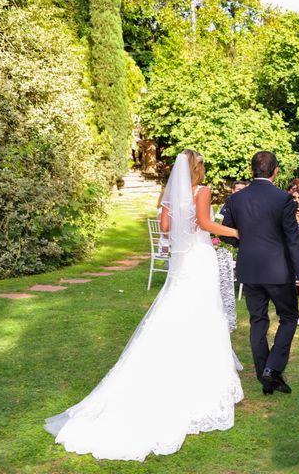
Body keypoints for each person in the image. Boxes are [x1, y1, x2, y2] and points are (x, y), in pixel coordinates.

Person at [45, 151, 243, 461]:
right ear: (198, 169)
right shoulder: (201, 191)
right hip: (199, 261)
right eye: (202, 167)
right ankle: (199, 383)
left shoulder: (172, 195)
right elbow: (205, 222)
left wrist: (185, 228)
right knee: (204, 317)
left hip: (181, 264)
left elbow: (165, 227)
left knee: (174, 312)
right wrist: (234, 231)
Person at [222, 151, 299, 396]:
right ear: (276, 171)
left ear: (252, 171)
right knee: (289, 317)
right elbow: (293, 240)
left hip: (249, 268)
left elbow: (223, 231)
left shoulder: (235, 199)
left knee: (258, 321)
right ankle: (272, 369)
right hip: (277, 269)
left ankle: (266, 374)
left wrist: (245, 244)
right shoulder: (283, 199)